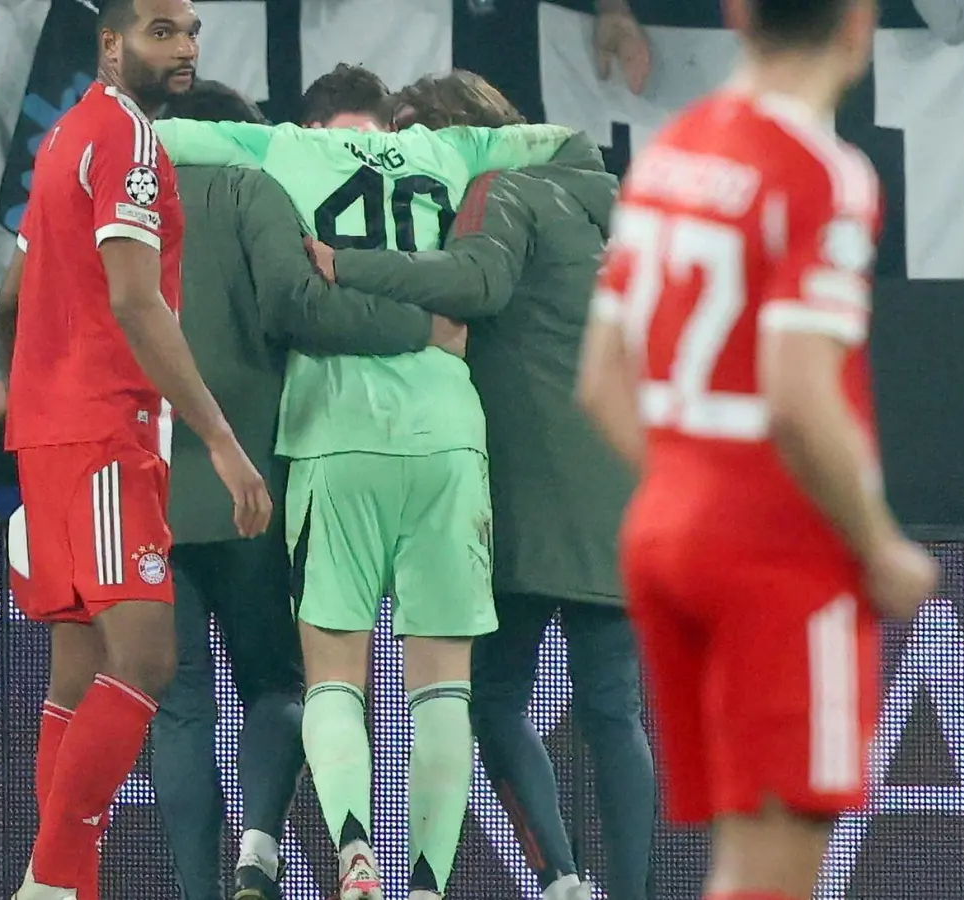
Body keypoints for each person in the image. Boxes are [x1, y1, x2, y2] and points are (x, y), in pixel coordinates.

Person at [149, 69, 575, 900]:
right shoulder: (449, 150)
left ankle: (354, 853)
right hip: (447, 431)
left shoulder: (284, 146)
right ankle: (428, 882)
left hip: (334, 434)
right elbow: (555, 142)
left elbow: (162, 139)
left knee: (335, 677)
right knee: (441, 687)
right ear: (393, 120)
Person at [574, 1, 939, 898]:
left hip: (665, 536)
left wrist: (691, 492)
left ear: (738, 15)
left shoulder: (671, 152)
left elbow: (598, 380)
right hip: (777, 556)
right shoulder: (823, 173)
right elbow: (799, 395)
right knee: (775, 871)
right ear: (860, 23)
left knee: (740, 867)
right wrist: (878, 545)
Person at [306, 70, 656, 900]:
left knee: (494, 699)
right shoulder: (619, 198)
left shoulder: (501, 186)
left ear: (453, 130)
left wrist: (349, 265)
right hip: (628, 477)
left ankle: (564, 880)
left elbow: (478, 284)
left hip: (526, 483)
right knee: (613, 708)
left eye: (416, 136)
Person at [0, 2, 272, 899]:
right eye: (162, 32)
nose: (183, 49)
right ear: (112, 43)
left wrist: (15, 384)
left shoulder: (65, 135)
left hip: (50, 439)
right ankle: (53, 880)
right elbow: (139, 303)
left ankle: (69, 885)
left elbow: (10, 298)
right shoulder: (132, 141)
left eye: (190, 32)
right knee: (146, 660)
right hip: (108, 433)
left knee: (81, 672)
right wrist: (222, 443)